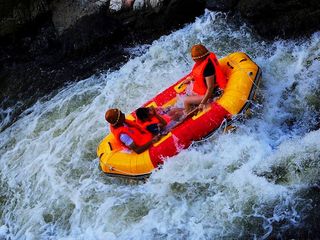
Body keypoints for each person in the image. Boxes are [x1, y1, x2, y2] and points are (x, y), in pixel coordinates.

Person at [182, 44, 227, 112]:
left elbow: (210, 88)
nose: (193, 60)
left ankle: (188, 116)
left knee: (186, 100)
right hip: (205, 91)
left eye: (194, 58)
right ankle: (189, 109)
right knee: (188, 95)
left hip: (213, 93)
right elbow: (201, 76)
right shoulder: (205, 60)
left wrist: (202, 103)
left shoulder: (208, 68)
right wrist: (191, 79)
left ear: (198, 58)